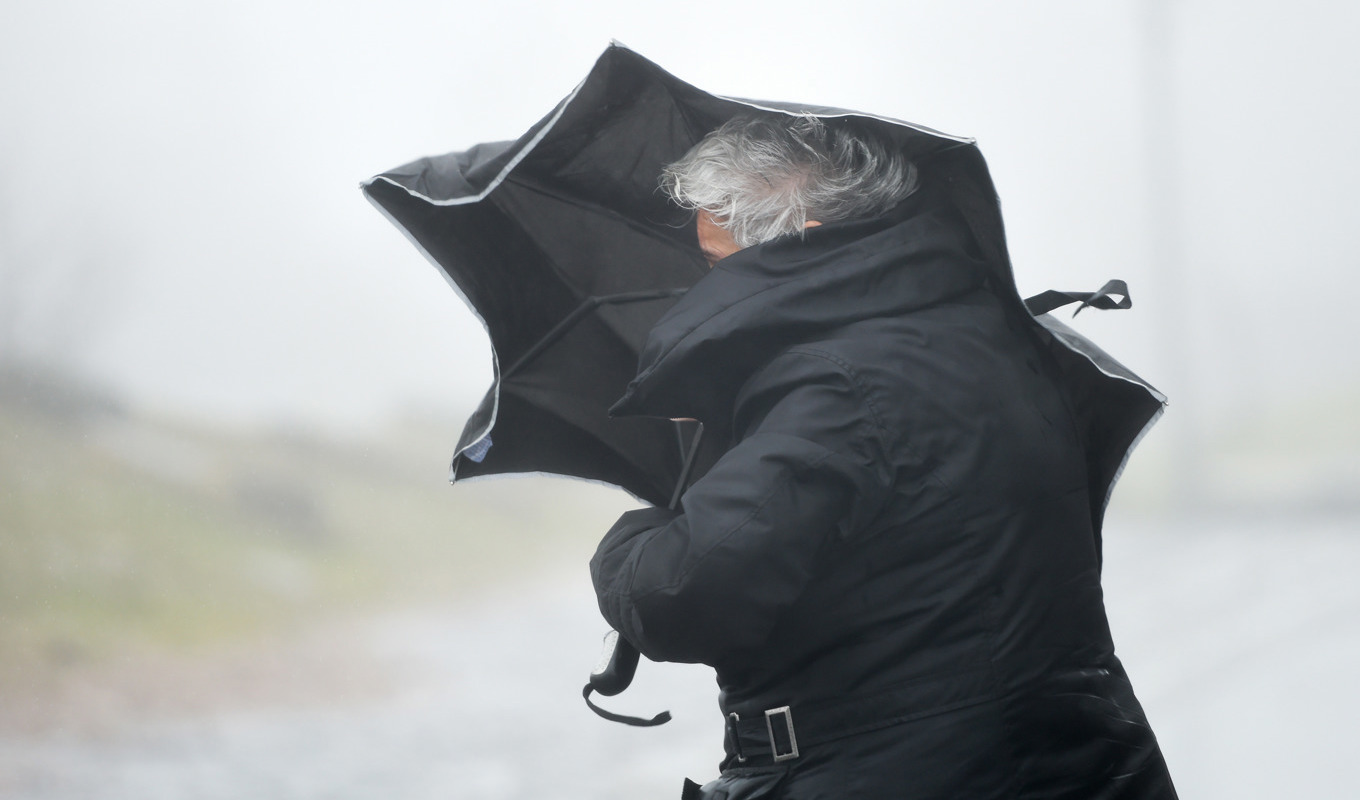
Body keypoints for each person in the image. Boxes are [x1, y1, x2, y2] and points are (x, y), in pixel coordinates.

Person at [590, 115, 1178, 799]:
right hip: (1078, 763)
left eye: (718, 262)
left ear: (797, 241)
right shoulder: (994, 335)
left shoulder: (837, 385)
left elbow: (680, 595)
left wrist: (634, 537)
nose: (708, 286)